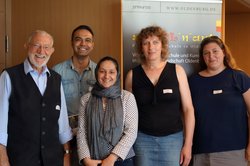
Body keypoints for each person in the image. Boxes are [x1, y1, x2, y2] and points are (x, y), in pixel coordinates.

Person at [0, 30, 73, 166]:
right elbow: (0, 126)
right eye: (36, 45)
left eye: (46, 47)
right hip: (20, 160)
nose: (41, 51)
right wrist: (2, 160)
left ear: (52, 50)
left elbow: (62, 125)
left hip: (53, 160)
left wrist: (67, 155)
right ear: (27, 46)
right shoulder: (9, 77)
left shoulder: (56, 79)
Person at [125, 25, 195, 166]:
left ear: (162, 45)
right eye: (146, 43)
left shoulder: (177, 71)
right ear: (141, 48)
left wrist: (188, 145)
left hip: (173, 140)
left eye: (155, 42)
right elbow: (127, 114)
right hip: (142, 140)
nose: (151, 47)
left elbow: (188, 110)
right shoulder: (132, 75)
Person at [188, 36, 250, 166]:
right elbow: (186, 114)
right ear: (203, 57)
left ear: (223, 52)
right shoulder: (193, 82)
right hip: (200, 152)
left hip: (234, 151)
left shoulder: (238, 77)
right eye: (206, 53)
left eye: (215, 51)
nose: (211, 56)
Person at [77, 56, 138, 166]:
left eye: (111, 72)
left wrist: (112, 158)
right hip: (93, 161)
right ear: (97, 73)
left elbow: (131, 131)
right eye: (102, 71)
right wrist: (86, 159)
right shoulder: (86, 99)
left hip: (122, 161)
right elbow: (82, 132)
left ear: (117, 74)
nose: (106, 76)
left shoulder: (127, 97)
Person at [53, 25, 97, 165]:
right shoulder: (57, 71)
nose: (83, 44)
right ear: (72, 42)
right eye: (78, 39)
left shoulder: (101, 72)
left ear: (92, 44)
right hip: (64, 136)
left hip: (91, 136)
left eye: (88, 40)